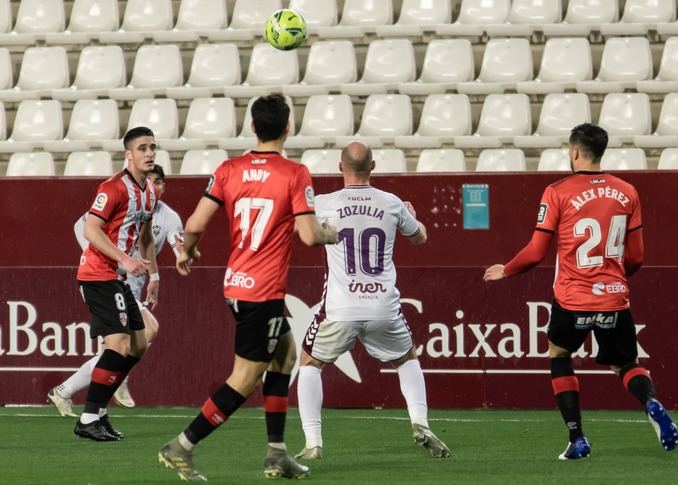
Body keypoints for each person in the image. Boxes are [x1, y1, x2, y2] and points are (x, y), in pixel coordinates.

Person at [158, 94, 338, 481]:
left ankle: (277, 454)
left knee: (285, 356)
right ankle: (181, 446)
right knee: (243, 379)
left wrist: (185, 252)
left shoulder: (228, 170)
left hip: (236, 284)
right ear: (289, 127)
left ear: (252, 127)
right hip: (263, 293)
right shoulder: (295, 173)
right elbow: (308, 235)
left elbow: (193, 224)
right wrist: (330, 234)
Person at [483, 123, 678, 460]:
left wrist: (507, 269)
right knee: (625, 364)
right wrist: (615, 277)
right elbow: (637, 257)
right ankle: (650, 401)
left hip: (572, 298)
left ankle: (577, 439)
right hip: (615, 296)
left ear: (574, 151)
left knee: (559, 355)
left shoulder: (558, 191)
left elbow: (536, 250)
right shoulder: (628, 191)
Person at [296, 141, 451, 460]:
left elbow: (303, 232)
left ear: (340, 168)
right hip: (383, 305)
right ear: (374, 167)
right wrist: (412, 216)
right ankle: (420, 423)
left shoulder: (324, 203)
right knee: (407, 358)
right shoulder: (392, 203)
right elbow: (420, 237)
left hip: (340, 307)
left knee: (310, 363)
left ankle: (313, 442)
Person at [47, 164, 183, 415]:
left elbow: (162, 243)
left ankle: (68, 392)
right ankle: (96, 408)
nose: (156, 185)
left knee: (128, 345)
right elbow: (84, 227)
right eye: (152, 180)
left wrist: (164, 269)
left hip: (130, 283)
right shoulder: (119, 197)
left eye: (161, 181)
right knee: (130, 341)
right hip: (108, 279)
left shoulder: (167, 216)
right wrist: (110, 259)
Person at [73, 126, 160, 441]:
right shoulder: (113, 188)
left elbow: (147, 236)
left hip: (119, 278)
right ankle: (87, 418)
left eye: (152, 147)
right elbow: (91, 230)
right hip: (98, 275)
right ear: (128, 154)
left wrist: (155, 275)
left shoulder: (150, 191)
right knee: (119, 345)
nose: (149, 153)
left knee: (139, 342)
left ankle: (99, 413)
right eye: (142, 148)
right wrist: (124, 259)